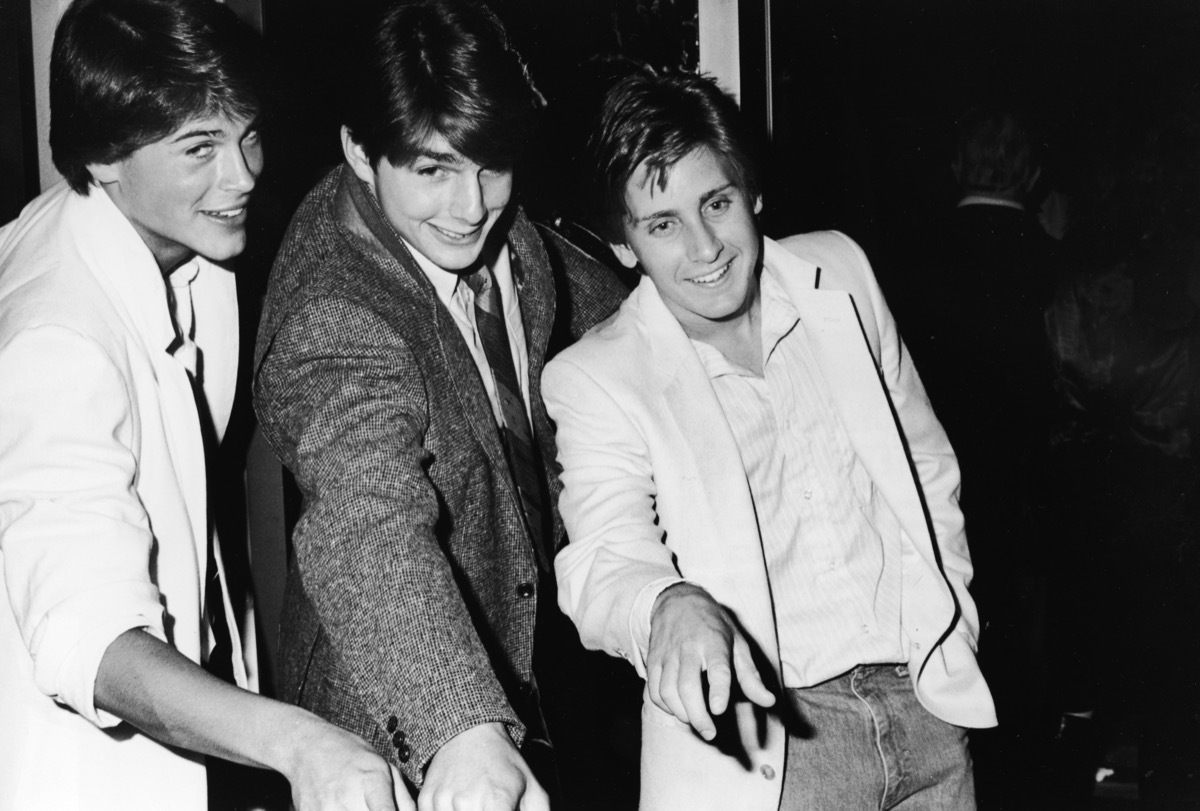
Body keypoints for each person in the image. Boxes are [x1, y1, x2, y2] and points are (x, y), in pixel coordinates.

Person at [543, 70, 997, 811]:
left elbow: (925, 462)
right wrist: (666, 603)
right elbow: (602, 557)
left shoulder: (840, 273)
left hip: (925, 712)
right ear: (625, 246)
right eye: (662, 225)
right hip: (769, 756)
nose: (705, 248)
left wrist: (951, 624)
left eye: (716, 204)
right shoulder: (597, 376)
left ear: (751, 193)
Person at [0, 1, 412, 810]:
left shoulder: (182, 248)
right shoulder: (55, 343)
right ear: (105, 157)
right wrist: (300, 740)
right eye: (200, 147)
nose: (245, 174)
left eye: (247, 134)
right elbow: (92, 641)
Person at [251, 1, 628, 809]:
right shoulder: (334, 311)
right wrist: (460, 726)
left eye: (491, 165)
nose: (471, 207)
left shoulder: (494, 224)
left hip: (543, 673)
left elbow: (570, 281)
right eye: (433, 170)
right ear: (359, 148)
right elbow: (366, 519)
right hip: (400, 728)